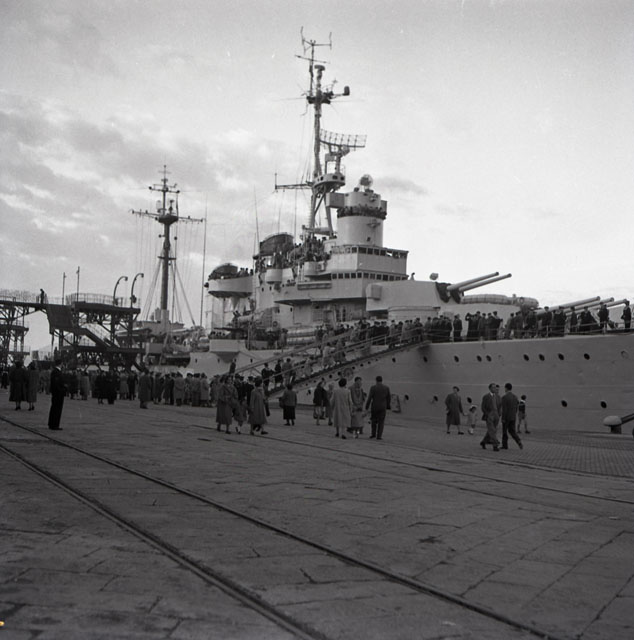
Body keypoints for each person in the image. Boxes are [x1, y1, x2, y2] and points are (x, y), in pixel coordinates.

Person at [365, 375, 391, 440]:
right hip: (383, 407)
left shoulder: (373, 388)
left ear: (376, 380)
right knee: (381, 422)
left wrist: (366, 406)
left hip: (375, 406)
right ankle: (379, 436)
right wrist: (388, 406)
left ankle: (373, 434)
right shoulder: (386, 388)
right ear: (382, 380)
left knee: (373, 421)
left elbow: (369, 398)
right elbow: (389, 398)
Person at [500, 382, 523, 450]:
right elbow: (516, 407)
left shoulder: (504, 397)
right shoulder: (515, 397)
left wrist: (503, 418)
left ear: (506, 388)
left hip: (506, 417)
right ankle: (518, 440)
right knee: (512, 431)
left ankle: (505, 445)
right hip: (513, 416)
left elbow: (504, 409)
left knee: (504, 431)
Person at [480, 383, 501, 451]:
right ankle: (495, 445)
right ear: (490, 388)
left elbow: (500, 406)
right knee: (492, 430)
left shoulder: (498, 397)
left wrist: (499, 414)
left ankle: (483, 442)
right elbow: (483, 407)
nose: (495, 389)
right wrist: (487, 414)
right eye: (493, 387)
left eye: (495, 387)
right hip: (489, 415)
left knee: (491, 430)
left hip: (496, 415)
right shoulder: (486, 397)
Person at [48, 359, 66, 430]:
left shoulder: (55, 371)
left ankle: (52, 424)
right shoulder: (56, 372)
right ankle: (55, 424)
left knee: (54, 408)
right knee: (57, 409)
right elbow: (56, 383)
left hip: (56, 392)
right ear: (60, 364)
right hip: (58, 393)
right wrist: (62, 390)